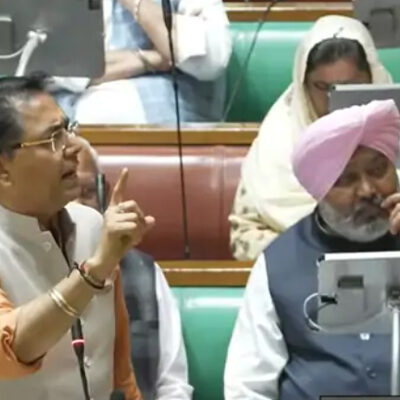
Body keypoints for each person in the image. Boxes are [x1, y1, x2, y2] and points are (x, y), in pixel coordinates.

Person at [224, 99, 400, 399]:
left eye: (377, 169)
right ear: (319, 191)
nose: (368, 190)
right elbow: (247, 387)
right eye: (345, 179)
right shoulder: (279, 263)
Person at [0, 75, 155, 399]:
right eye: (53, 138)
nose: (74, 147)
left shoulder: (91, 225)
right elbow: (9, 350)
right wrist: (92, 274)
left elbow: (119, 369)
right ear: (3, 170)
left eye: (68, 130)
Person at [229, 15, 393, 260]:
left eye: (350, 86)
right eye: (322, 87)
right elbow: (243, 237)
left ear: (373, 80)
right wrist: (313, 256)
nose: (332, 99)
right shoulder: (276, 143)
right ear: (303, 86)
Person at [77, 139, 193, 400]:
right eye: (66, 190)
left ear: (104, 194)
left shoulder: (142, 274)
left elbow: (173, 386)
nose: (77, 204)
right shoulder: (20, 270)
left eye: (87, 192)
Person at [53, 0, 232, 124]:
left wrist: (136, 3)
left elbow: (212, 60)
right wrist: (150, 59)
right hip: (69, 129)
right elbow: (49, 67)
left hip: (167, 127)